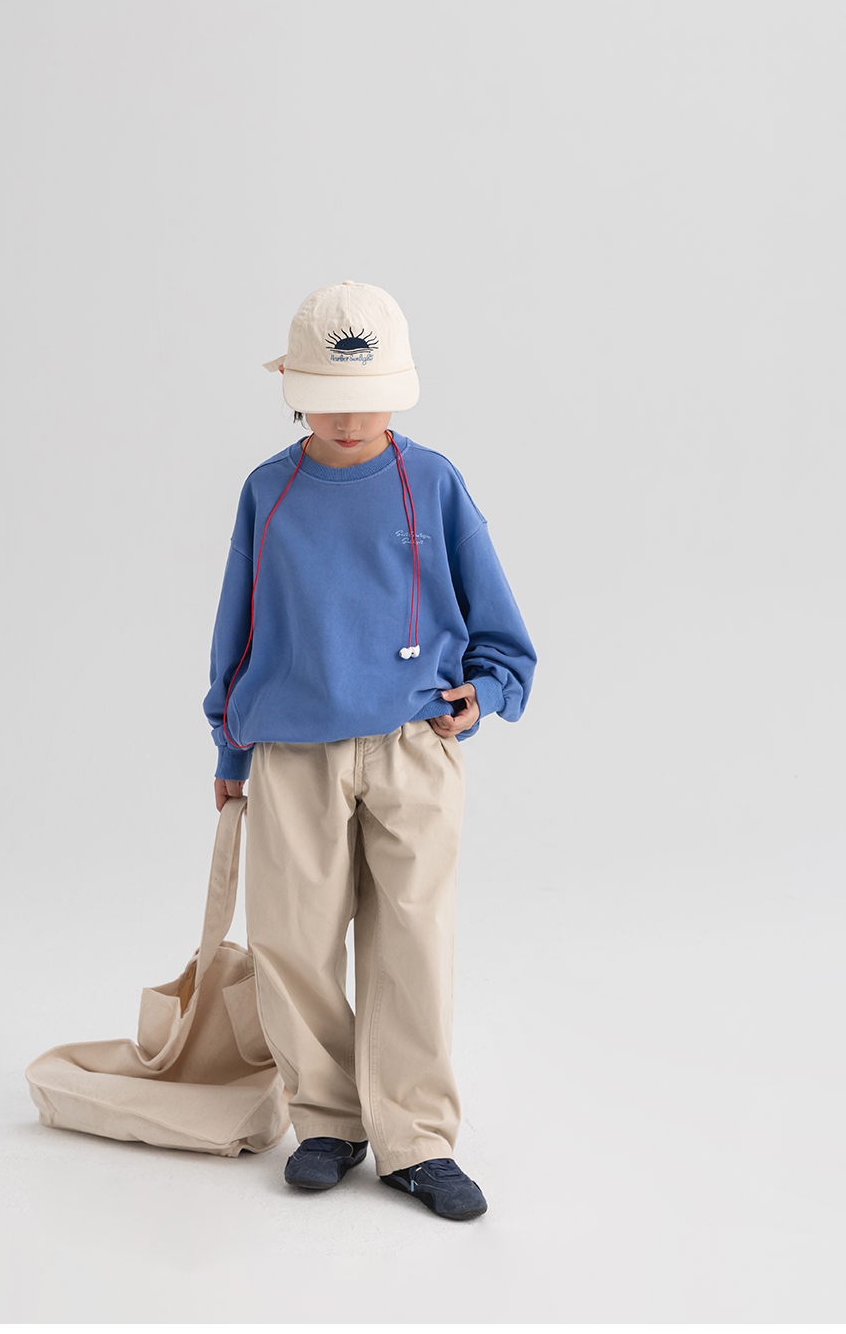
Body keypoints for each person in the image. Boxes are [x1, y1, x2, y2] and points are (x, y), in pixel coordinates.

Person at [203, 280, 536, 1221]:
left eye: (369, 395)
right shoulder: (268, 492)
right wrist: (230, 752)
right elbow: (237, 630)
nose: (350, 417)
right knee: (292, 939)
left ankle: (416, 1139)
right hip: (291, 753)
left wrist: (485, 695)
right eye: (329, 396)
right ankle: (325, 1121)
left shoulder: (433, 483)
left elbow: (500, 628)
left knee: (413, 941)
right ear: (294, 391)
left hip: (411, 747)